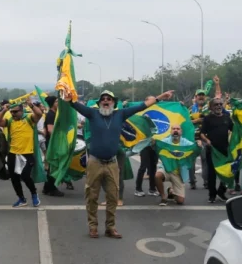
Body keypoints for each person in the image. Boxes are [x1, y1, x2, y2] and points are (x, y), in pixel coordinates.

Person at [66, 89, 173, 238]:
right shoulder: (92, 114)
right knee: (92, 196)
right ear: (99, 103)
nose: (105, 100)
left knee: (112, 196)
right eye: (103, 98)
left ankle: (110, 227)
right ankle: (93, 226)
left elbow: (142, 106)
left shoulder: (120, 115)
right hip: (94, 162)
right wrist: (67, 94)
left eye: (108, 98)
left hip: (112, 163)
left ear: (113, 103)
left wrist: (160, 97)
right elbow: (74, 104)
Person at [0, 102, 43, 207]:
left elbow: (39, 114)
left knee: (25, 176)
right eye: (12, 112)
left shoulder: (29, 119)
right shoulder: (10, 121)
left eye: (16, 111)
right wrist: (4, 110)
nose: (13, 114)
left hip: (27, 154)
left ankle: (34, 195)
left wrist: (31, 105)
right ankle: (21, 198)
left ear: (22, 111)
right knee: (14, 177)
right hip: (13, 154)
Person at [200, 97, 232, 203]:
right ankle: (212, 195)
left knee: (227, 173)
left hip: (225, 150)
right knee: (212, 174)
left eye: (220, 104)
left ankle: (221, 192)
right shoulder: (208, 118)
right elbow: (202, 133)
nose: (218, 106)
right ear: (211, 107)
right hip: (212, 150)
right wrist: (207, 140)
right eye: (216, 104)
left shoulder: (227, 117)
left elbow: (234, 130)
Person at [154, 124, 191, 205]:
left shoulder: (186, 143)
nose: (175, 130)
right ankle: (163, 197)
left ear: (181, 132)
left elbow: (194, 149)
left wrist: (199, 145)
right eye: (173, 129)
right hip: (166, 169)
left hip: (178, 173)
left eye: (178, 129)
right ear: (171, 131)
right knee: (157, 176)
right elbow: (157, 145)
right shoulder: (165, 142)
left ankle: (171, 191)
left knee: (180, 201)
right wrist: (153, 142)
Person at [41, 96, 64, 197]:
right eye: (56, 101)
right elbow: (50, 130)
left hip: (53, 142)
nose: (58, 103)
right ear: (52, 104)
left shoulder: (55, 114)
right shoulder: (51, 115)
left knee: (52, 166)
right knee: (53, 166)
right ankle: (52, 188)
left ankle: (47, 188)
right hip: (52, 143)